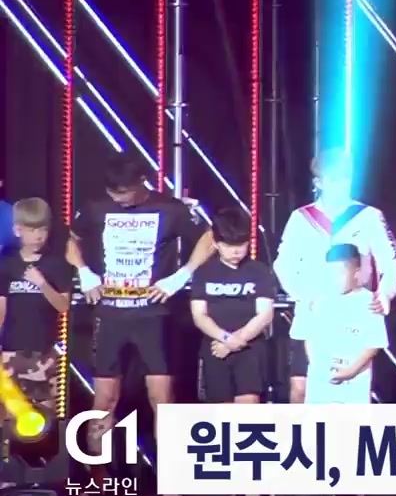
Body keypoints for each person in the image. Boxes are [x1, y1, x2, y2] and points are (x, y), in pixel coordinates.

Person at [67, 155, 214, 459]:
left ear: (141, 183)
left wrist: (182, 275)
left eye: (123, 193)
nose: (117, 199)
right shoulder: (97, 207)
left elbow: (211, 238)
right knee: (104, 399)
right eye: (112, 193)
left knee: (162, 399)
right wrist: (83, 271)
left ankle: (170, 472)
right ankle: (98, 472)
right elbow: (71, 239)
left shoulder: (169, 208)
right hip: (110, 314)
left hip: (153, 315)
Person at [273, 150, 396, 404]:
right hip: (313, 313)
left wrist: (385, 294)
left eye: (345, 178)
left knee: (350, 386)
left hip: (354, 314)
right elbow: (282, 264)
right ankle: (303, 431)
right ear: (318, 182)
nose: (340, 185)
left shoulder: (369, 216)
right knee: (300, 388)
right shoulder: (301, 219)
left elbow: (392, 261)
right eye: (333, 179)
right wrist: (301, 295)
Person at [0, 199, 72, 476]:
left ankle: (44, 474)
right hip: (11, 352)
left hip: (44, 353)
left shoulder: (57, 265)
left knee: (45, 417)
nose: (38, 236)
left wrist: (41, 283)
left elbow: (63, 306)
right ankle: (10, 474)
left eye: (43, 229)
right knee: (10, 414)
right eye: (32, 230)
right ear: (18, 230)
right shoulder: (7, 265)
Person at [190, 209, 277, 404]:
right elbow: (199, 315)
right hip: (216, 347)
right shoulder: (204, 273)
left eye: (241, 245)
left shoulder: (259, 271)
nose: (236, 251)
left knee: (248, 405)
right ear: (216, 243)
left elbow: (265, 314)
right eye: (229, 246)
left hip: (250, 348)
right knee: (221, 408)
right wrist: (226, 339)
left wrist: (237, 340)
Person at [291, 243, 388, 405]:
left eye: (340, 273)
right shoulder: (319, 301)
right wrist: (318, 366)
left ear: (356, 272)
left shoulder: (369, 302)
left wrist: (351, 371)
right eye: (330, 273)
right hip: (321, 380)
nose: (334, 279)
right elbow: (309, 337)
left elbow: (374, 344)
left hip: (355, 382)